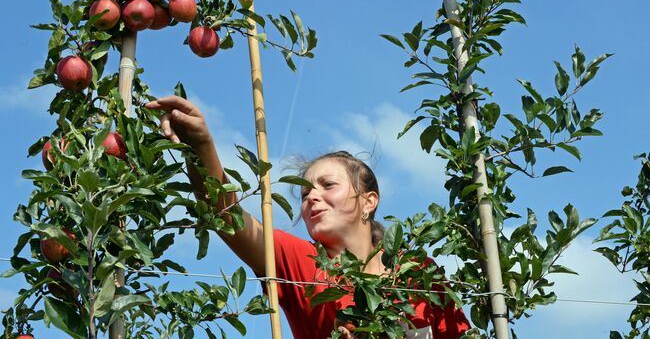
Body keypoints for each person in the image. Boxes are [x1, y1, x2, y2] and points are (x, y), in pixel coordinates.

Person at [145, 96, 470, 339]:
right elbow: (226, 215)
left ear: (369, 201)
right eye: (303, 193)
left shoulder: (420, 274)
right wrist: (201, 147)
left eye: (327, 185)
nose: (312, 195)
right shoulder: (301, 263)